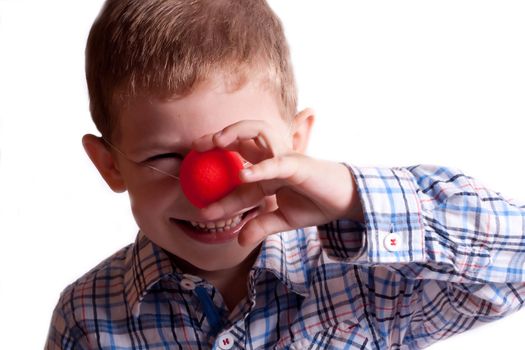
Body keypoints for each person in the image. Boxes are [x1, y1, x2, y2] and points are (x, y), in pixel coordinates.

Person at [45, 0, 525, 349]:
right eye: (166, 158)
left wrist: (351, 197)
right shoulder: (87, 317)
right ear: (110, 164)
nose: (208, 192)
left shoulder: (371, 282)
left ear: (296, 142)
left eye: (241, 150)